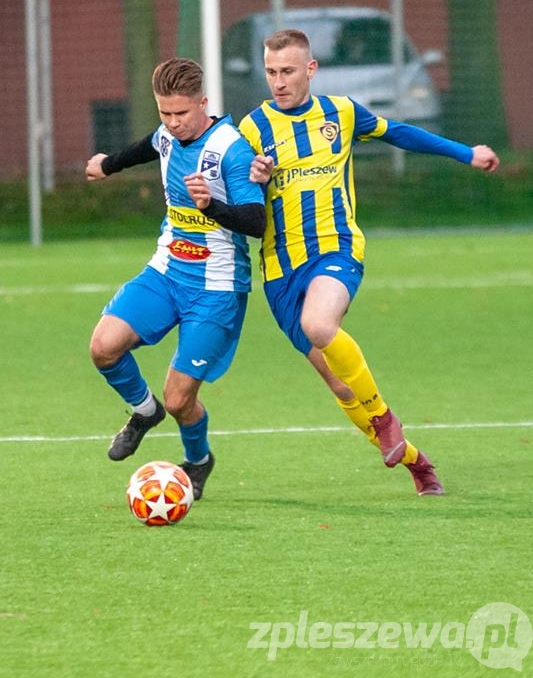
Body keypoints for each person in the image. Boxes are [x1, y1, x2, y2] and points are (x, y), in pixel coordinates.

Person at [239, 28, 500, 496]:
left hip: (335, 248)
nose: (278, 81)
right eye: (271, 72)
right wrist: (254, 176)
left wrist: (466, 153)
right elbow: (240, 196)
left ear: (311, 69)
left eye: (288, 71)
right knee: (342, 387)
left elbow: (400, 132)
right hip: (280, 270)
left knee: (320, 324)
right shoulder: (252, 128)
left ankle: (384, 418)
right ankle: (417, 463)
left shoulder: (341, 113)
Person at [86, 58, 265, 500]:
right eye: (164, 112)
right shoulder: (167, 132)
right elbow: (149, 146)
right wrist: (109, 164)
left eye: (181, 113)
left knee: (180, 399)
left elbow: (256, 222)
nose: (172, 122)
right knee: (103, 347)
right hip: (166, 272)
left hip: (216, 289)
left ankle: (198, 461)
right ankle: (144, 413)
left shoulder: (231, 150)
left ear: (203, 103)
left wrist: (211, 208)